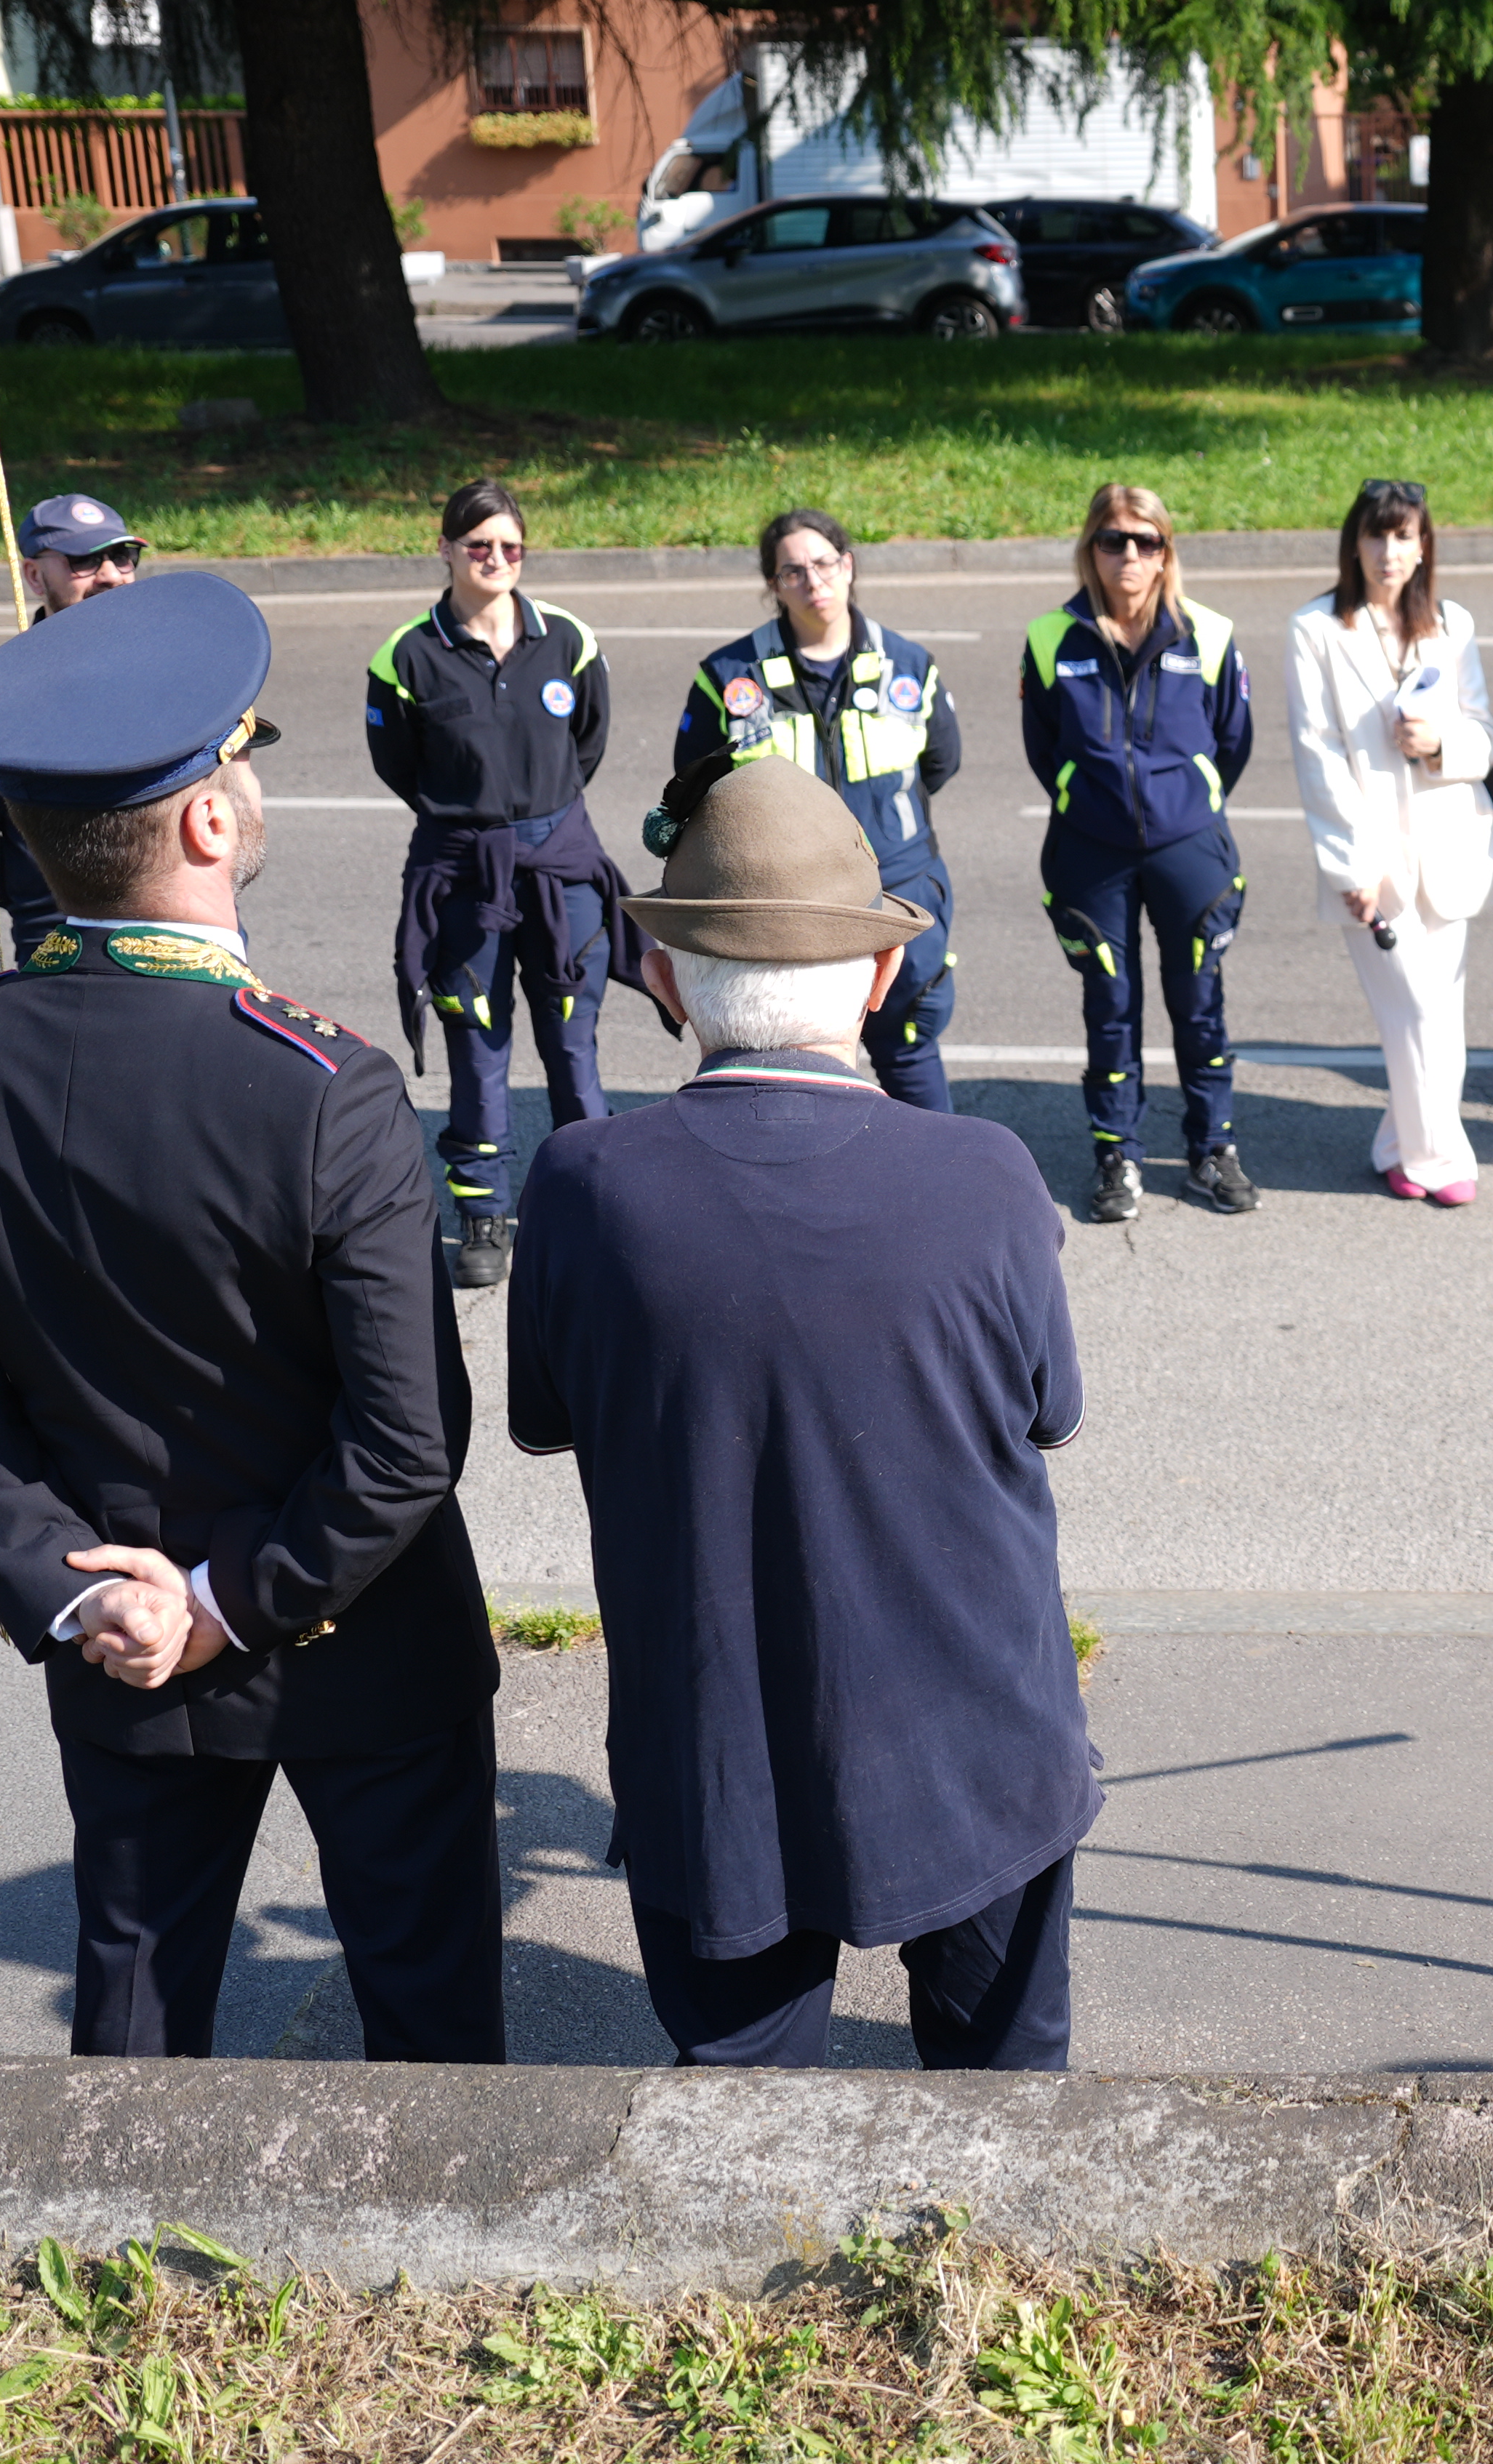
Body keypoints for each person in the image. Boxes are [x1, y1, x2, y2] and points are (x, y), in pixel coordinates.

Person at [0, 574, 503, 2063]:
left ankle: (118, 2286)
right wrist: (225, 1600)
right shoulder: (322, 1084)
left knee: (136, 2032)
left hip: (119, 1640)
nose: (247, 781)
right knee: (436, 2040)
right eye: (238, 759)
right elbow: (408, 1445)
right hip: (362, 1631)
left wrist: (101, 1597)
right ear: (209, 822)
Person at [511, 754, 1097, 2069]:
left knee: (739, 2124)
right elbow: (1052, 1415)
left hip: (713, 1750)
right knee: (1006, 2104)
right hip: (980, 1744)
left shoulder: (580, 1184)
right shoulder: (988, 1175)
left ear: (663, 979)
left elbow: (545, 1418)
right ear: (882, 981)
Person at [364, 477, 631, 1291]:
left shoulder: (569, 641)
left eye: (510, 547)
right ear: (443, 548)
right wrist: (477, 826)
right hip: (462, 874)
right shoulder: (407, 655)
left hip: (561, 869)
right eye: (478, 546)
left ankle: (591, 1207)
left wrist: (533, 824)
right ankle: (484, 1211)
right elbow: (399, 767)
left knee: (572, 1046)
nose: (495, 560)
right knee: (476, 1051)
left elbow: (587, 744)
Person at [1021, 482, 1260, 1224]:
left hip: (1190, 849)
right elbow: (1043, 746)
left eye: (1145, 541)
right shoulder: (1049, 639)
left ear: (1166, 552)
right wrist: (1081, 793)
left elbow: (1233, 741)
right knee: (1111, 1007)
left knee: (1199, 1006)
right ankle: (1116, 1155)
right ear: (1089, 549)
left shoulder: (1210, 635)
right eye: (1112, 539)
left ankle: (1210, 1149)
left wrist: (1186, 797)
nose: (1129, 554)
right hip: (1091, 854)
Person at [670, 508, 962, 1109]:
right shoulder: (730, 675)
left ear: (848, 565)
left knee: (908, 1051)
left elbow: (941, 762)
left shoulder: (909, 665)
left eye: (825, 563)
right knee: (798, 1064)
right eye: (793, 571)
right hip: (783, 907)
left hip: (897, 891)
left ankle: (930, 1190)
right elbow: (697, 784)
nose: (813, 581)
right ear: (773, 584)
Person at [1289, 482, 1493, 1206]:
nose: (1390, 553)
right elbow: (1316, 757)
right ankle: (1439, 1157)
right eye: (1377, 537)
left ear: (1424, 546)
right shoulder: (1316, 630)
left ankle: (1398, 1143)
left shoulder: (1451, 623)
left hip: (1450, 850)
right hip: (1373, 860)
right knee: (1413, 1011)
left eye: (1404, 537)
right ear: (1355, 542)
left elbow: (1487, 734)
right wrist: (1350, 863)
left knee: (1440, 1016)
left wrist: (1441, 742)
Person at [0, 494, 151, 963]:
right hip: (59, 947)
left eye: (121, 556)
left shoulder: (178, 670)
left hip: (187, 939)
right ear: (35, 575)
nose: (110, 575)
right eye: (83, 560)